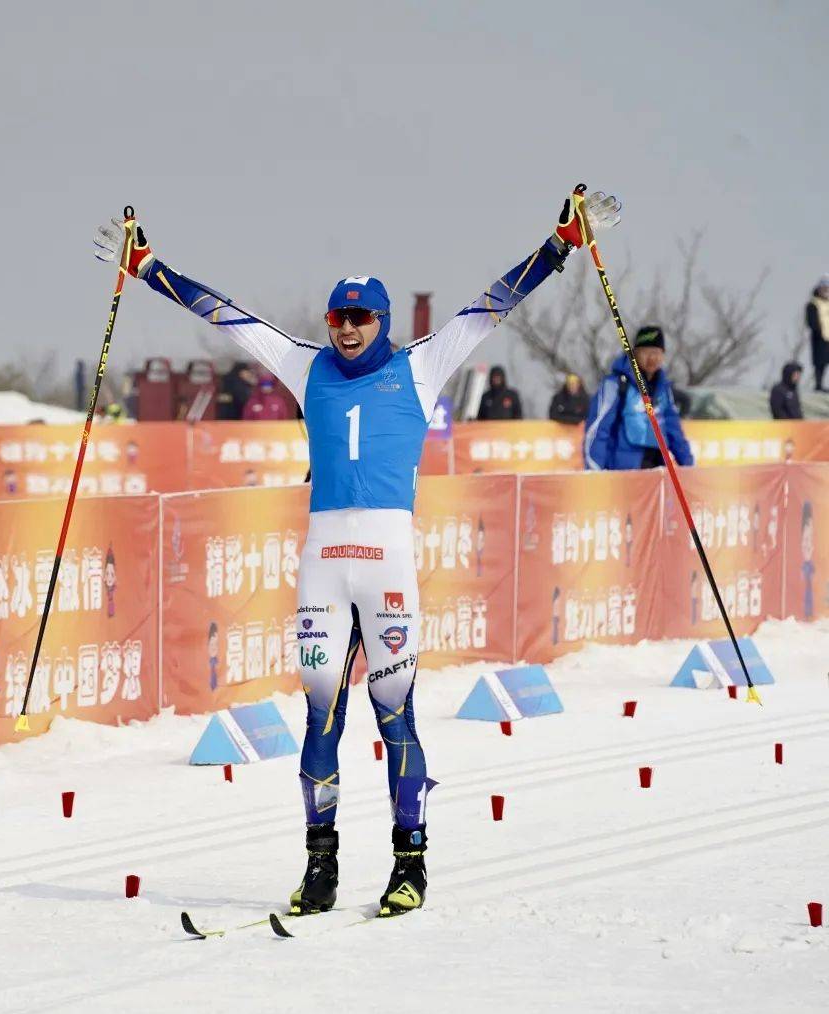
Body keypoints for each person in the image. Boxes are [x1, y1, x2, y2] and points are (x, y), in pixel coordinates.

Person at [94, 187, 621, 916]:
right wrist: (150, 268)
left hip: (388, 571)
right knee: (319, 722)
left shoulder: (420, 366)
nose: (346, 330)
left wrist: (560, 245)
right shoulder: (303, 364)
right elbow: (228, 318)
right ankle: (321, 869)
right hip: (323, 570)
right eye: (337, 317)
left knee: (395, 718)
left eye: (359, 318)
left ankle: (411, 865)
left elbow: (494, 304)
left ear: (383, 321)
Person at [584, 325, 694, 470]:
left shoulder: (664, 390)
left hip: (655, 469)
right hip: (622, 471)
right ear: (635, 353)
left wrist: (689, 466)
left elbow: (674, 431)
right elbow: (598, 428)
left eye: (657, 353)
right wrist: (594, 470)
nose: (652, 358)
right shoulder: (616, 384)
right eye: (646, 352)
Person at [805, 275, 829, 391]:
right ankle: (818, 385)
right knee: (820, 362)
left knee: (826, 362)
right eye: (824, 288)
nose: (826, 291)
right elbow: (811, 321)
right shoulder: (813, 303)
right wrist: (817, 330)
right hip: (819, 338)